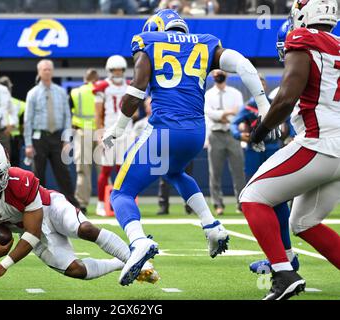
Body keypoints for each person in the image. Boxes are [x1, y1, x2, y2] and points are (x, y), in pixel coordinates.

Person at [104, 9, 271, 286]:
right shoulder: (205, 41)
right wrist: (264, 106)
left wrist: (119, 127)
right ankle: (212, 225)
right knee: (174, 173)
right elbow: (244, 65)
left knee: (121, 192)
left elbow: (137, 88)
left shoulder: (149, 41)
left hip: (164, 129)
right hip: (195, 132)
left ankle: (138, 242)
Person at [240, 0, 340, 300]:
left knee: (252, 197)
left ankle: (283, 273)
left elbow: (285, 97)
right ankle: (284, 266)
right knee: (304, 222)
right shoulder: (336, 45)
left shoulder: (303, 37)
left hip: (318, 142)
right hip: (337, 146)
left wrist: (258, 130)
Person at [0, 140, 159, 285]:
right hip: (29, 230)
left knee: (85, 228)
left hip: (49, 209)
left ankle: (139, 263)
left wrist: (5, 264)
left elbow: (33, 234)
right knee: (75, 270)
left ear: (5, 171)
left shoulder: (21, 182)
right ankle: (119, 262)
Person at [231, 71, 299, 274]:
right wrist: (239, 135)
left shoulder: (274, 103)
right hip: (254, 149)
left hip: (272, 147)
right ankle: (282, 256)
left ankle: (282, 256)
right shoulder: (250, 106)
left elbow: (290, 122)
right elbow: (235, 124)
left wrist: (293, 136)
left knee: (277, 197)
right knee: (252, 192)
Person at [24, 59, 80, 208]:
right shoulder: (33, 93)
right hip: (39, 138)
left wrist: (67, 140)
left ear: (52, 71)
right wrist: (28, 144)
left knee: (63, 173)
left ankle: (72, 204)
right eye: (44, 69)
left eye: (49, 69)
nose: (47, 72)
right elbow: (27, 120)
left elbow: (67, 116)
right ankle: (38, 205)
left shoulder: (61, 92)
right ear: (39, 72)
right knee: (38, 174)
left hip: (57, 136)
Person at [94, 55, 132, 216]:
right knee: (106, 169)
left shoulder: (130, 85)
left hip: (126, 132)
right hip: (109, 132)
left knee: (123, 169)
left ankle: (122, 202)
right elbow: (98, 113)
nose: (117, 73)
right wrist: (100, 133)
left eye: (120, 70)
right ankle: (101, 203)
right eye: (114, 70)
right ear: (109, 70)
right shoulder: (102, 87)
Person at [205, 70, 246, 215]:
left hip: (232, 134)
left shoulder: (235, 93)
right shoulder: (208, 94)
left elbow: (240, 113)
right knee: (214, 172)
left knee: (238, 171)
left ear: (226, 74)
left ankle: (241, 203)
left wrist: (221, 115)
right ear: (212, 75)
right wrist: (228, 113)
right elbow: (209, 113)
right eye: (215, 72)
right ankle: (217, 204)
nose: (218, 74)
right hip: (215, 134)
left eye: (220, 72)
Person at [70, 69, 100, 215]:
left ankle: (81, 204)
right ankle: (107, 202)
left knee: (83, 170)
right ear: (97, 79)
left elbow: (70, 111)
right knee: (104, 170)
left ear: (84, 78)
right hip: (101, 132)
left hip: (83, 132)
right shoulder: (102, 91)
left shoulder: (76, 92)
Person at [0, 76, 26, 167]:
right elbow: (23, 125)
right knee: (13, 167)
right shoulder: (20, 104)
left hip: (3, 138)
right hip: (14, 140)